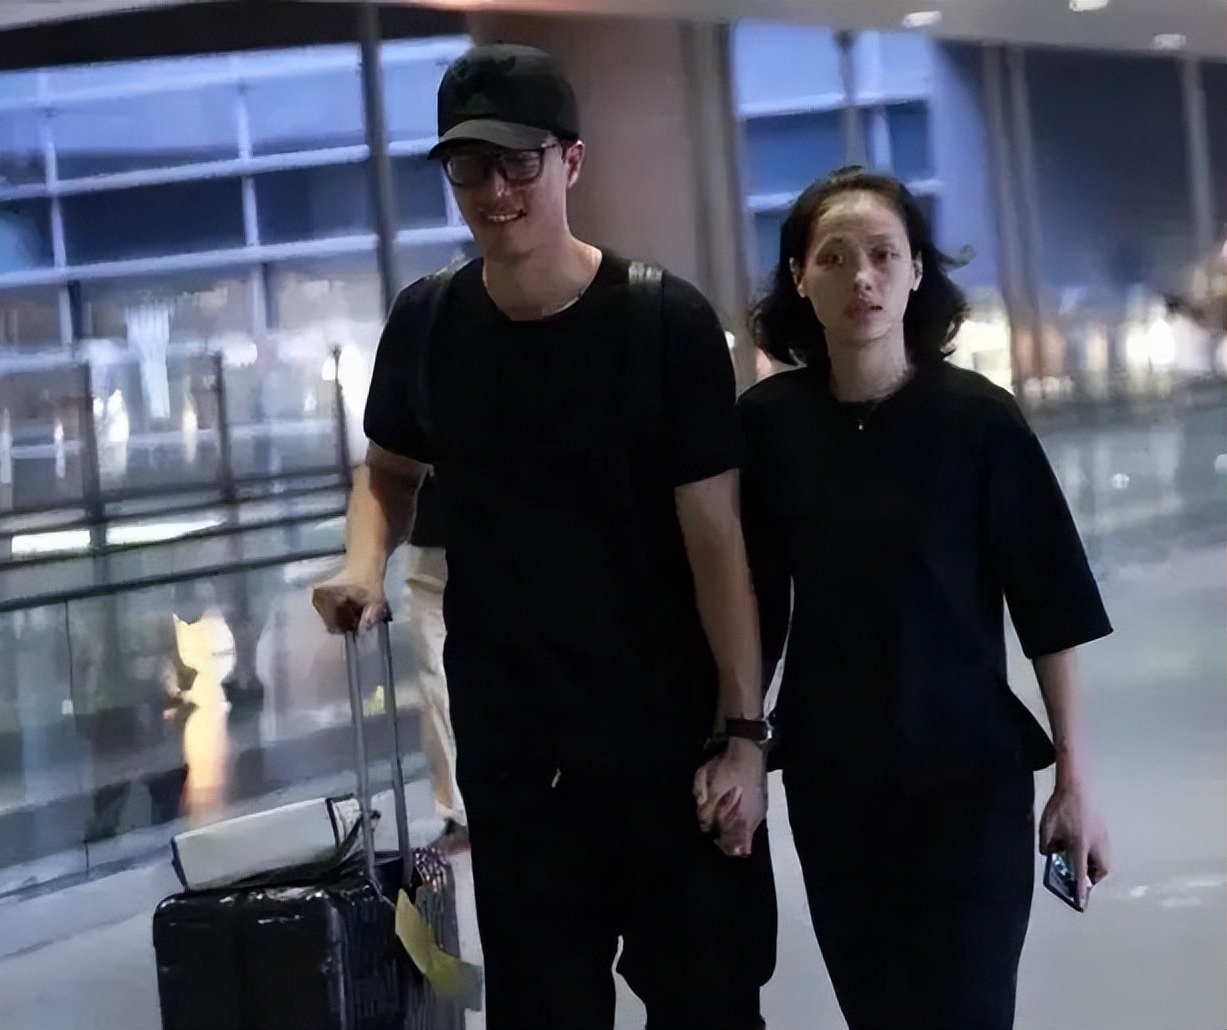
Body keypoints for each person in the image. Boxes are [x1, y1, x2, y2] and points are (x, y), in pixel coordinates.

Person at [312, 43, 775, 1030]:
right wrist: (363, 563)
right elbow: (388, 469)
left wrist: (743, 736)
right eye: (469, 167)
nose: (494, 191)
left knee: (708, 1002)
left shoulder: (663, 321)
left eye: (518, 162)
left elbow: (718, 546)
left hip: (667, 742)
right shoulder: (430, 321)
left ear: (572, 161)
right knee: (541, 1008)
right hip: (518, 747)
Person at [735, 166, 1113, 1029]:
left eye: (882, 255)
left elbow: (1051, 608)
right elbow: (753, 605)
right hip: (836, 785)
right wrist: (740, 742)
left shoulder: (980, 421)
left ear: (915, 272)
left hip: (968, 783)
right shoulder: (768, 426)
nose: (861, 278)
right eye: (834, 258)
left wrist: (1074, 781)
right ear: (799, 277)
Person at [404, 470, 470, 855]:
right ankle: (457, 814)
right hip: (429, 550)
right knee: (435, 682)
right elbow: (388, 469)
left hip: (495, 539)